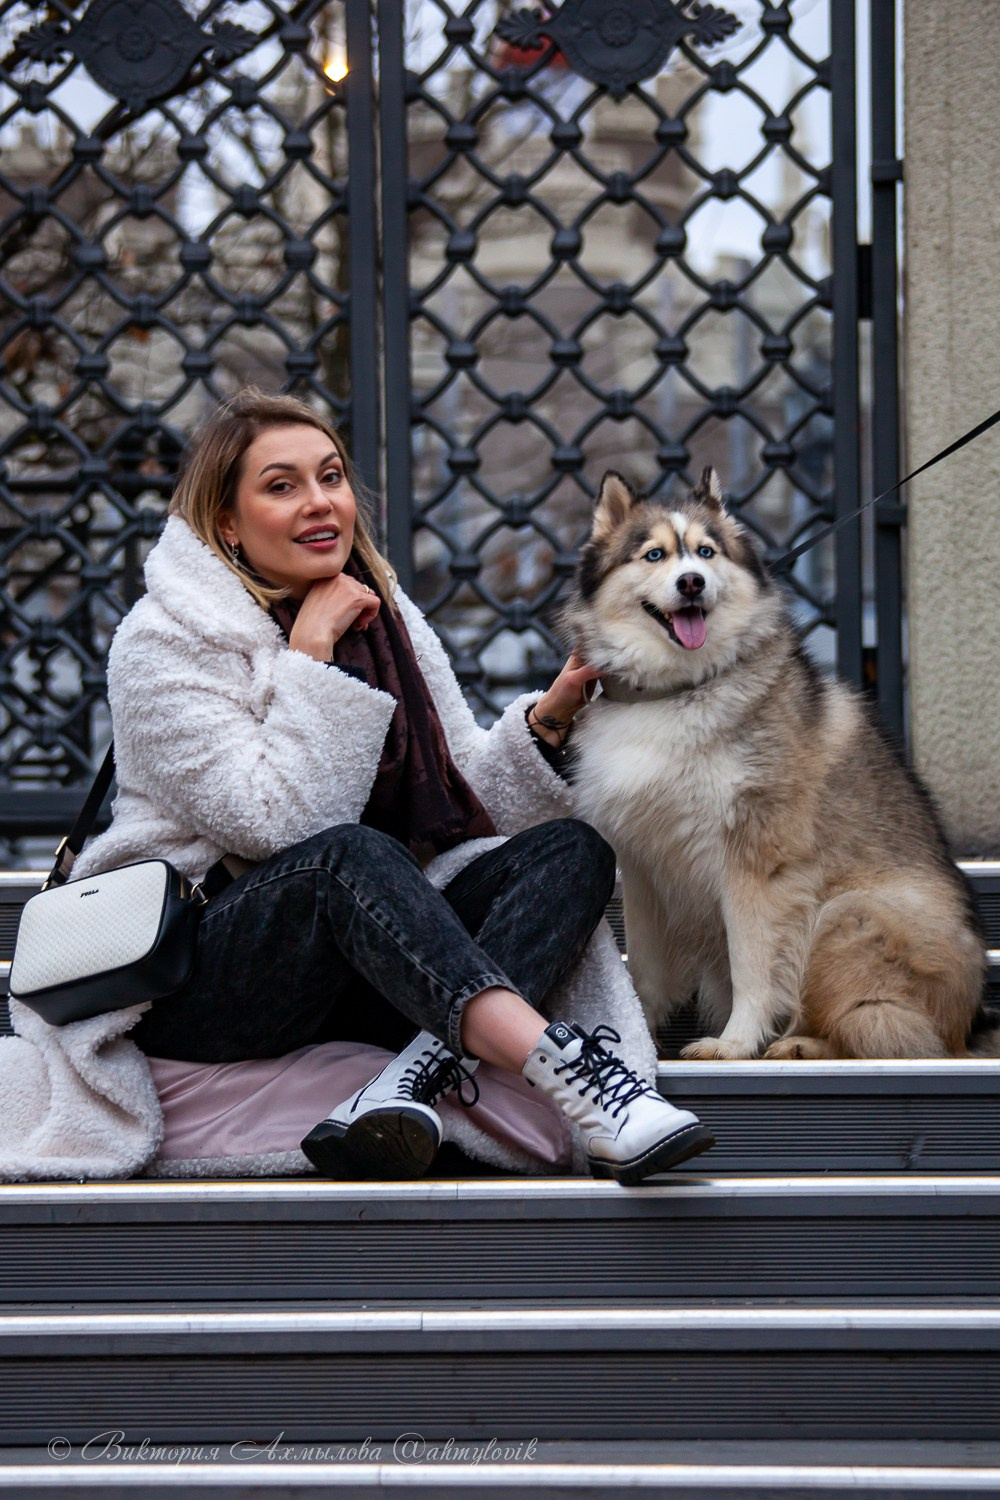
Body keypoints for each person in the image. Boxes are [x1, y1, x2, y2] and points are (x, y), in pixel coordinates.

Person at [72, 389, 714, 1185]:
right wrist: (309, 656)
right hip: (205, 979)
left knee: (571, 850)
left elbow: (467, 806)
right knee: (348, 857)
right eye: (282, 485)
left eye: (331, 477)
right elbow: (278, 826)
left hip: (373, 961)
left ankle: (410, 1078)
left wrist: (550, 718)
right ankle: (578, 1081)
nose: (320, 503)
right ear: (226, 524)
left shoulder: (385, 619)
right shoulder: (162, 642)